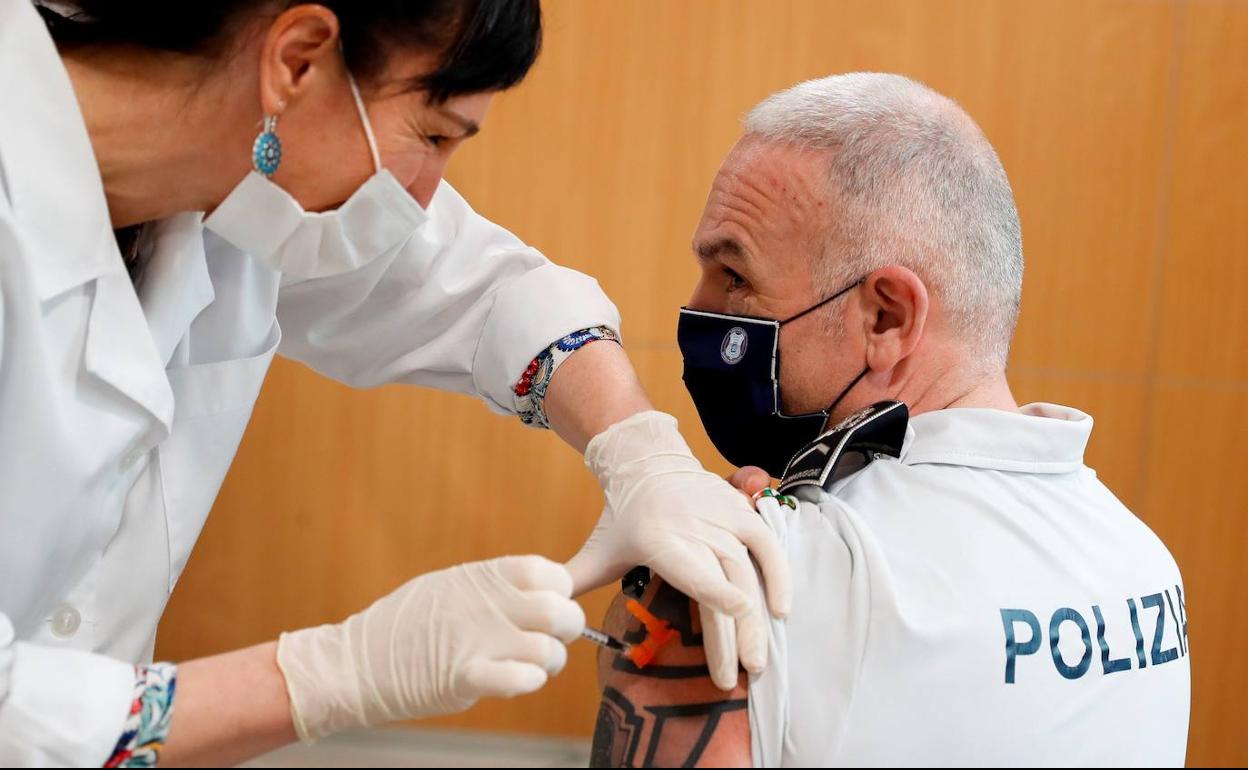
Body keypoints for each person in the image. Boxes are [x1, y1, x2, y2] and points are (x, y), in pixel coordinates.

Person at [0, 0, 789, 765]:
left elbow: (483, 290)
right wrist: (330, 677)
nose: (419, 203)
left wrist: (641, 453)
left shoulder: (235, 185)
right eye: (434, 133)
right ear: (298, 57)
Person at [590, 72, 1190, 767]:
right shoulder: (1142, 560)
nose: (697, 309)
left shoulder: (758, 574)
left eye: (734, 277)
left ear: (887, 316)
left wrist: (666, 587)